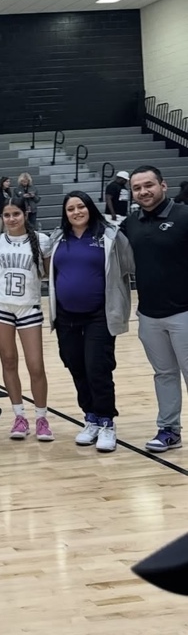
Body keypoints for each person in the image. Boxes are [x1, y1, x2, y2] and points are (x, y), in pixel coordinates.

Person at [49, 192, 132, 453]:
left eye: (81, 206)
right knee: (75, 365)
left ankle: (107, 421)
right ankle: (91, 418)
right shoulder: (58, 237)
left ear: (90, 208)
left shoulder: (109, 235)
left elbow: (129, 265)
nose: (76, 212)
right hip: (66, 316)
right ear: (65, 213)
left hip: (99, 314)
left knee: (97, 367)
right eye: (70, 208)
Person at [121, 165, 188, 453]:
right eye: (137, 188)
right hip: (148, 315)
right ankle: (169, 430)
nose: (143, 192)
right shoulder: (131, 223)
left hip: (184, 312)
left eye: (148, 185)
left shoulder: (184, 216)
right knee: (164, 374)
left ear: (163, 185)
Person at [0, 197, 53, 442]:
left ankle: (42, 418)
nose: (11, 219)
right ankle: (19, 416)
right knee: (9, 361)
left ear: (25, 214)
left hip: (29, 307)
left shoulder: (42, 240)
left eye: (16, 214)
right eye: (7, 215)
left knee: (36, 365)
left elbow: (48, 275)